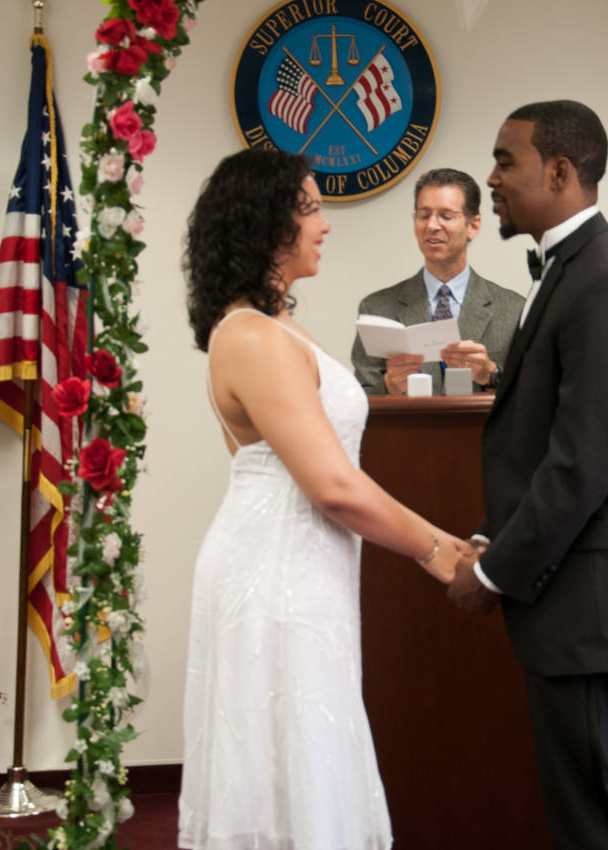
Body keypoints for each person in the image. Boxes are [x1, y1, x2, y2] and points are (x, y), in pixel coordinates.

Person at [178, 147, 470, 850]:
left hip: (298, 561)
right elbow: (334, 486)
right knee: (292, 753)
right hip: (275, 570)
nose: (325, 224)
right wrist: (438, 549)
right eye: (310, 208)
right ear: (267, 225)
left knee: (312, 747)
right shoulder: (252, 336)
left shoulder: (271, 328)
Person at [447, 101, 608, 850]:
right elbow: (544, 438)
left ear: (559, 172)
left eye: (505, 161)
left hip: (595, 602)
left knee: (602, 817)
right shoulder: (573, 268)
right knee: (584, 811)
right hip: (581, 594)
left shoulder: (606, 279)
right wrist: (488, 535)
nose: (490, 179)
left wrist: (495, 571)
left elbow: (585, 459)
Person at [350, 167, 524, 395]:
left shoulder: (514, 309)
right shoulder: (376, 308)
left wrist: (491, 374)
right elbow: (359, 402)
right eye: (424, 215)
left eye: (446, 216)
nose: (432, 225)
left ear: (473, 226)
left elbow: (533, 396)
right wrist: (389, 386)